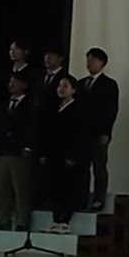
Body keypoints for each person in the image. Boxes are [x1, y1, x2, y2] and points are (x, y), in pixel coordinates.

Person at [39, 74, 91, 234]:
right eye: (59, 86)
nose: (61, 89)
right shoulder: (53, 108)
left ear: (73, 90)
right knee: (54, 188)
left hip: (69, 157)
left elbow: (81, 136)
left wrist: (74, 156)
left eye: (65, 86)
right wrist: (44, 153)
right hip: (53, 155)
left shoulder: (79, 109)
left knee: (68, 189)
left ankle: (65, 221)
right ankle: (56, 220)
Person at [0, 73, 37, 230]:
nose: (11, 85)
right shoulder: (3, 105)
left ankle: (22, 221)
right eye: (10, 81)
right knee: (3, 188)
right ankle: (4, 219)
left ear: (24, 85)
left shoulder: (31, 105)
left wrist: (28, 147)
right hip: (2, 151)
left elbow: (33, 128)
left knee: (21, 188)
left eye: (15, 82)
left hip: (19, 152)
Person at [79, 47, 119, 211]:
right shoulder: (80, 83)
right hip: (81, 133)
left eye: (93, 60)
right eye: (87, 59)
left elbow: (111, 110)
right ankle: (81, 198)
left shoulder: (109, 84)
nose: (89, 63)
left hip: (98, 133)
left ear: (102, 63)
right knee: (81, 167)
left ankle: (98, 198)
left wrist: (106, 132)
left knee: (99, 166)